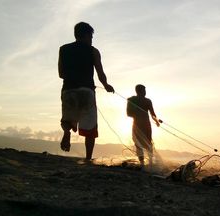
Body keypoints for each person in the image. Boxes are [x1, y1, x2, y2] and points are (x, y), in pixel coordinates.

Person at [58, 22, 114, 161]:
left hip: (68, 90)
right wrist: (106, 85)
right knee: (90, 130)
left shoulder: (63, 49)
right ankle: (88, 158)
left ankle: (67, 132)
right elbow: (100, 73)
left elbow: (61, 73)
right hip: (86, 91)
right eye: (91, 37)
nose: (91, 40)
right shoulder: (93, 51)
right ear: (88, 35)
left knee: (67, 117)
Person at [127, 84, 161, 166]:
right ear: (139, 91)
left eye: (145, 91)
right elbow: (128, 113)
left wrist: (157, 120)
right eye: (144, 91)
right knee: (138, 143)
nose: (145, 92)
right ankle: (142, 163)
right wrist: (136, 111)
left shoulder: (148, 101)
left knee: (149, 143)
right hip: (137, 125)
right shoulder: (131, 100)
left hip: (146, 125)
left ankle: (150, 162)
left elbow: (153, 114)